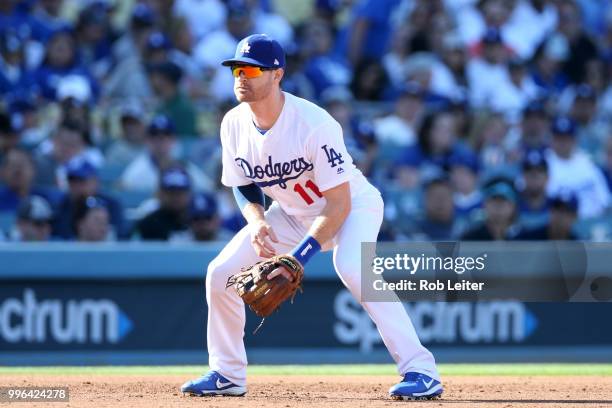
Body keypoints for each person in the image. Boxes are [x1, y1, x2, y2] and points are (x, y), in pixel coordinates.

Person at [180, 34, 442, 400]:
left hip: (353, 206)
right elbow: (243, 186)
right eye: (237, 69)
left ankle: (421, 370)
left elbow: (338, 204)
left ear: (277, 75)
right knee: (220, 274)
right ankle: (227, 373)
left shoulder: (313, 123)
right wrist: (257, 221)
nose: (242, 76)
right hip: (290, 214)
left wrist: (296, 259)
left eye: (252, 69)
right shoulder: (233, 123)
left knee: (353, 267)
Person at [134, 166, 192, 241]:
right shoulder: (148, 224)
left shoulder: (200, 221)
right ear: (160, 194)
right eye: (171, 192)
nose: (175, 197)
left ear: (189, 194)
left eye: (180, 192)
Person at [514, 191, 579, 241]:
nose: (560, 216)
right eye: (557, 209)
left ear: (575, 216)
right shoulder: (528, 238)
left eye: (566, 212)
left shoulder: (579, 244)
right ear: (550, 211)